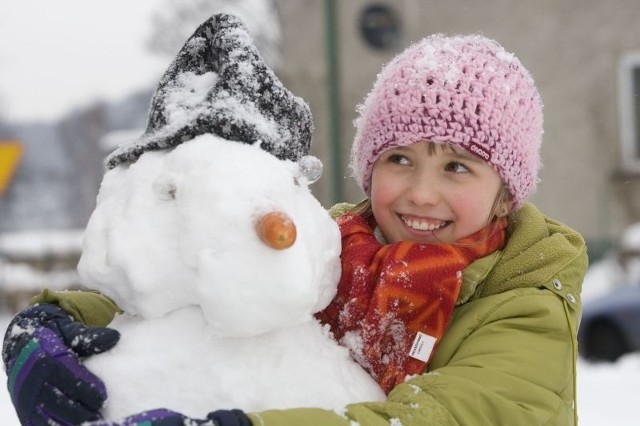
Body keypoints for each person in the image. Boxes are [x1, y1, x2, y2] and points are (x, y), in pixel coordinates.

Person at [2, 19, 588, 426]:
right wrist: (49, 323)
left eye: (457, 166)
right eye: (400, 159)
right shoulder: (327, 252)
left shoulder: (525, 305)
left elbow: (441, 417)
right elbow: (195, 284)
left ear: (504, 195)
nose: (421, 192)